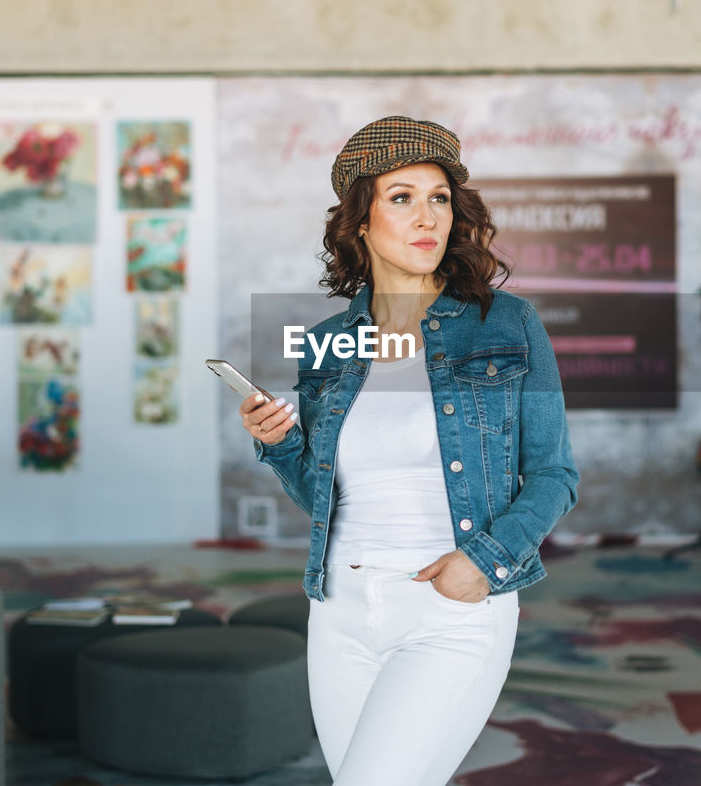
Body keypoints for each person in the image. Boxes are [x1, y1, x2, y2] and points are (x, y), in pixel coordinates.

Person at [240, 116, 578, 786]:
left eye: (439, 198)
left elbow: (554, 474)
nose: (427, 217)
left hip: (449, 607)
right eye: (401, 198)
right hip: (339, 610)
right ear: (360, 222)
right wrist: (281, 447)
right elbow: (322, 496)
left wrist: (483, 563)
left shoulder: (506, 326)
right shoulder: (329, 342)